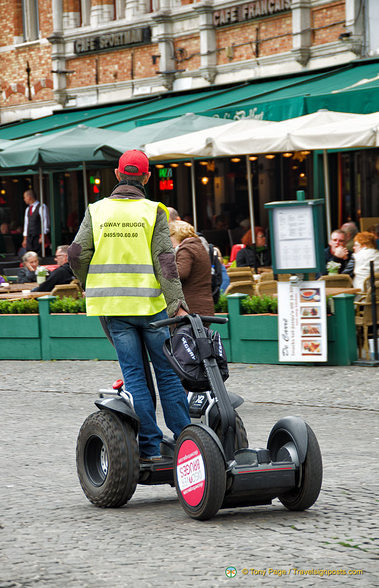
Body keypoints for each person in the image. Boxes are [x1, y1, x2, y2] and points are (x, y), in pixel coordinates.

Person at [67, 149, 190, 462]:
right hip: (152, 309)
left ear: (118, 175)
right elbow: (166, 261)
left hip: (114, 310)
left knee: (135, 378)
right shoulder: (154, 211)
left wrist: (85, 282)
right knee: (168, 376)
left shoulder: (96, 211)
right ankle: (188, 443)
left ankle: (149, 448)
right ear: (147, 177)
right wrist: (177, 304)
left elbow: (76, 254)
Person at [169, 219, 214, 316]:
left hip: (191, 309)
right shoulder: (198, 246)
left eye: (169, 237)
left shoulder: (186, 249)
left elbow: (180, 273)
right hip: (204, 306)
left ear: (176, 235)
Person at [22, 189, 50, 256]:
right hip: (30, 237)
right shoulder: (27, 209)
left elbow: (45, 222)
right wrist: (25, 239)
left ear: (29, 197)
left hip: (38, 236)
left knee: (39, 255)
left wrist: (43, 236)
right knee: (29, 255)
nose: (24, 199)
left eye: (24, 197)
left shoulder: (42, 206)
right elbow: (26, 225)